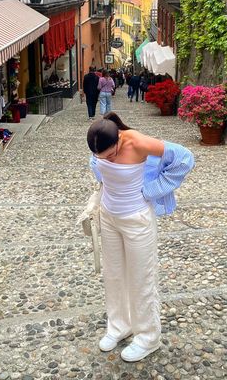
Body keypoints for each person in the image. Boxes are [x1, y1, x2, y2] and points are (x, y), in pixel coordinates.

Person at [87, 113, 195, 362]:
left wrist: (152, 189)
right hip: (109, 217)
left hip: (137, 220)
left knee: (140, 278)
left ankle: (148, 337)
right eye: (101, 157)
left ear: (119, 140)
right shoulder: (98, 143)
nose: (108, 160)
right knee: (113, 275)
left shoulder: (136, 141)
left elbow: (184, 159)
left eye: (112, 155)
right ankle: (119, 326)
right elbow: (99, 171)